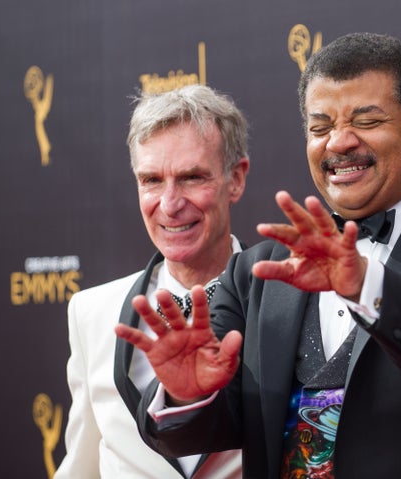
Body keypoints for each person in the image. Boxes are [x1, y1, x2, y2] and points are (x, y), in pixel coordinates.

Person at [116, 33, 401, 478]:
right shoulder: (256, 272)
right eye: (320, 127)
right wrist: (186, 395)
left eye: (366, 121)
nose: (338, 142)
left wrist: (369, 287)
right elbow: (214, 427)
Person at [55, 84, 249, 479]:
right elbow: (81, 466)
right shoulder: (92, 313)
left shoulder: (292, 302)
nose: (170, 204)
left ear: (236, 180)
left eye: (192, 177)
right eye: (151, 180)